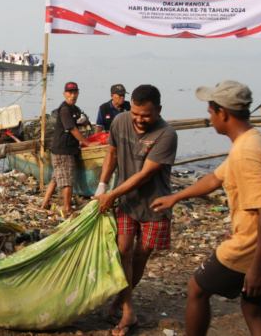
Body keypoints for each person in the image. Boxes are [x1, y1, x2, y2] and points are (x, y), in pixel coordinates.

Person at [151, 81, 261, 336]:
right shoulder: (257, 138)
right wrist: (176, 196)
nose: (210, 117)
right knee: (252, 311)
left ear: (223, 113)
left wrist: (258, 269)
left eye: (210, 112)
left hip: (254, 246)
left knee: (196, 289)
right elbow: (215, 178)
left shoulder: (246, 152)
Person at [92, 84, 177, 336]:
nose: (139, 120)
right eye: (136, 114)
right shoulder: (120, 121)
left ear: (158, 110)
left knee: (140, 258)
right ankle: (129, 311)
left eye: (146, 115)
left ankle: (119, 300)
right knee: (123, 253)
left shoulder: (167, 135)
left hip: (156, 205)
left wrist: (111, 195)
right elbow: (112, 153)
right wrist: (102, 186)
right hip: (127, 203)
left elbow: (144, 175)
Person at [41, 82, 100, 215]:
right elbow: (73, 129)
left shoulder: (76, 110)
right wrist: (88, 143)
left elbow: (82, 123)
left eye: (75, 93)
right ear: (64, 94)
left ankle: (45, 203)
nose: (72, 95)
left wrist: (86, 123)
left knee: (55, 178)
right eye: (70, 93)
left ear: (78, 94)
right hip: (64, 150)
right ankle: (67, 208)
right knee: (67, 180)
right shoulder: (65, 110)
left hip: (63, 149)